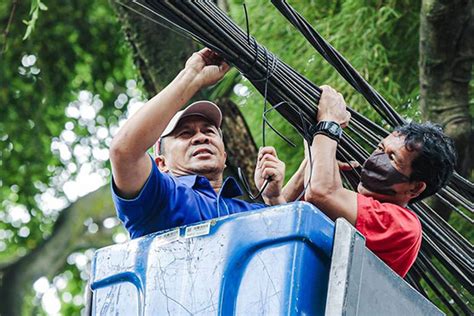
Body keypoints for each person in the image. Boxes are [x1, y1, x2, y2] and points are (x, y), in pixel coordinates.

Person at [109, 48, 288, 239]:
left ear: (224, 156)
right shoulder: (161, 198)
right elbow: (124, 152)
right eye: (185, 133)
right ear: (161, 164)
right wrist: (192, 76)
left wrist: (274, 198)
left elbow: (286, 248)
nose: (201, 137)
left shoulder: (250, 212)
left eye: (209, 131)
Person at [300, 85, 456, 277]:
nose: (376, 159)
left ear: (414, 188)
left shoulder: (403, 225)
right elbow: (284, 211)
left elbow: (320, 192)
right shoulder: (352, 207)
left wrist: (329, 123)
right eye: (380, 148)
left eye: (392, 158)